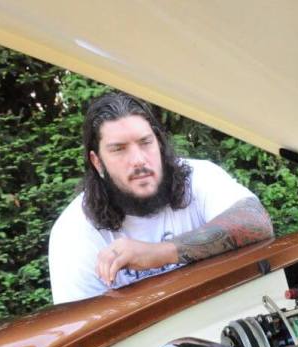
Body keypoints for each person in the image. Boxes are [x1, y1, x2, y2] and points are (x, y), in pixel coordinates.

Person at [48, 92, 274, 304]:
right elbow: (83, 334)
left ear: (159, 144)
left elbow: (257, 222)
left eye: (145, 143)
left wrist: (158, 253)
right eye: (119, 149)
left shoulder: (199, 177)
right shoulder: (73, 233)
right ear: (97, 162)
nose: (138, 160)